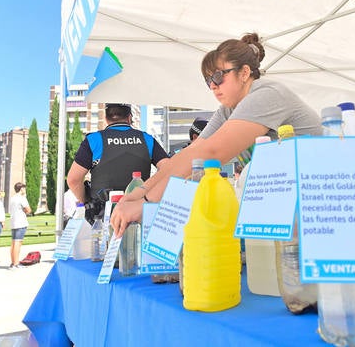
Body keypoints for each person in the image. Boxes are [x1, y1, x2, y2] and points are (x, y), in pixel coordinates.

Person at [111, 32, 322, 236]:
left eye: (219, 76)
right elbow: (191, 152)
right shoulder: (229, 109)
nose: (213, 86)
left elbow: (212, 152)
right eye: (208, 80)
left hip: (318, 200)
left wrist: (147, 203)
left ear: (245, 73)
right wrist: (139, 193)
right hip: (290, 200)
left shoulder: (266, 94)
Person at [67, 103, 169, 221]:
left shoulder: (93, 140)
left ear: (106, 119)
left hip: (103, 216)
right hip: (139, 213)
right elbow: (168, 170)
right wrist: (150, 194)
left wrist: (86, 201)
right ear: (130, 117)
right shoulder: (147, 139)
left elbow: (73, 180)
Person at [9, 182, 31, 269]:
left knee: (14, 243)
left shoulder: (12, 198)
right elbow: (28, 210)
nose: (25, 190)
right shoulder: (22, 198)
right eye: (24, 188)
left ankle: (13, 262)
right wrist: (25, 211)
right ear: (21, 189)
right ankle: (16, 263)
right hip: (21, 222)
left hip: (14, 222)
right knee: (18, 243)